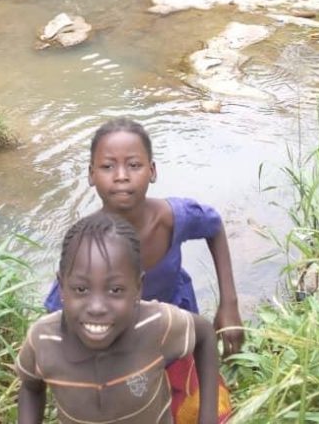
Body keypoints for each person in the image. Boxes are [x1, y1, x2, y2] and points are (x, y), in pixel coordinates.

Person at [44, 117, 242, 421]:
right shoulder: (88, 245)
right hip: (118, 345)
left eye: (134, 165)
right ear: (91, 175)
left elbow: (213, 225)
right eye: (108, 166)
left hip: (173, 332)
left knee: (207, 410)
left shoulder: (172, 218)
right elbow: (61, 310)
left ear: (152, 171)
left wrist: (229, 304)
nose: (121, 176)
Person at [17, 212, 221, 424]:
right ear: (61, 286)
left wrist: (208, 417)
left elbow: (205, 335)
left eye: (115, 290)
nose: (97, 307)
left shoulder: (157, 325)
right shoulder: (43, 340)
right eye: (81, 288)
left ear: (138, 288)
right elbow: (31, 388)